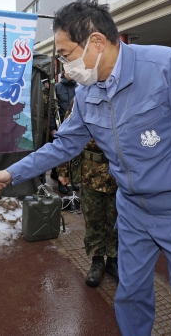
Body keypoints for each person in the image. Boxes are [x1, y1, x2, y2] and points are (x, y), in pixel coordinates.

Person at [0, 0, 171, 335]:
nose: (65, 66)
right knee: (130, 295)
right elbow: (64, 144)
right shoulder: (86, 92)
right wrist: (11, 173)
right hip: (133, 211)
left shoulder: (169, 67)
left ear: (96, 41)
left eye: (66, 54)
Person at [57, 99, 118, 287]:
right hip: (90, 173)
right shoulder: (81, 100)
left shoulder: (124, 95)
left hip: (119, 173)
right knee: (93, 219)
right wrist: (63, 170)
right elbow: (67, 136)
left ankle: (114, 260)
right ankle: (97, 260)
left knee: (117, 220)